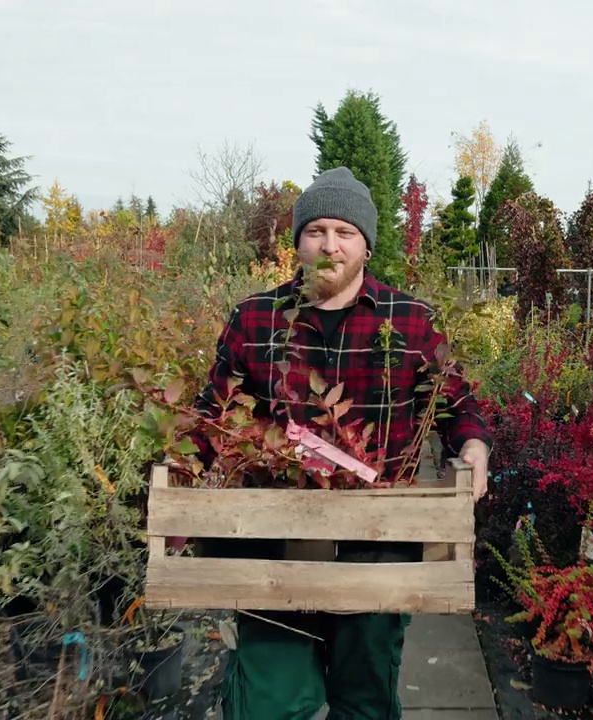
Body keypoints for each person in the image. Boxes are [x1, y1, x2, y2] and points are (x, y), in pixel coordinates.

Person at [190, 166, 492, 719]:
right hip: (274, 544)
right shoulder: (255, 318)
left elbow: (456, 404)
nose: (330, 245)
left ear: (366, 245)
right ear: (298, 241)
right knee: (270, 701)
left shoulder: (411, 321)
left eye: (344, 232)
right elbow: (212, 416)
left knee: (365, 701)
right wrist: (177, 473)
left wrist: (473, 448)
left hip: (376, 549)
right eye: (316, 231)